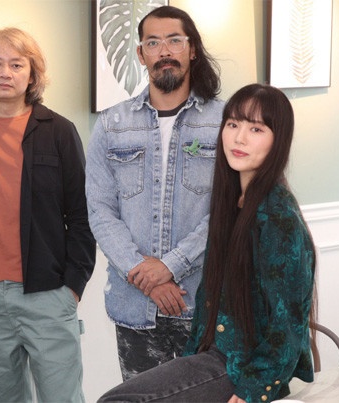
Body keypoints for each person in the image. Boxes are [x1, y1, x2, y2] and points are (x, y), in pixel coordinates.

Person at [98, 83, 316, 402]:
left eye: (256, 129)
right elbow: (208, 301)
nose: (239, 138)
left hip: (241, 368)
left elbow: (289, 321)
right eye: (233, 124)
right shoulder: (232, 203)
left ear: (278, 140)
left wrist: (254, 390)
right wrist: (190, 357)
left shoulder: (277, 215)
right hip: (213, 356)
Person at [0, 27, 96, 402]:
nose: (5, 73)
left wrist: (72, 287)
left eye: (16, 64)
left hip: (48, 294)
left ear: (32, 74)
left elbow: (83, 214)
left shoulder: (59, 132)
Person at [86, 5, 224, 380]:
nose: (164, 51)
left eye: (174, 41)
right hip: (135, 308)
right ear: (140, 54)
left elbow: (227, 211)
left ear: (192, 49)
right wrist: (142, 272)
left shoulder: (225, 122)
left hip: (204, 306)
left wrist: (169, 266)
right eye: (153, 42)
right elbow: (100, 211)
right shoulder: (111, 125)